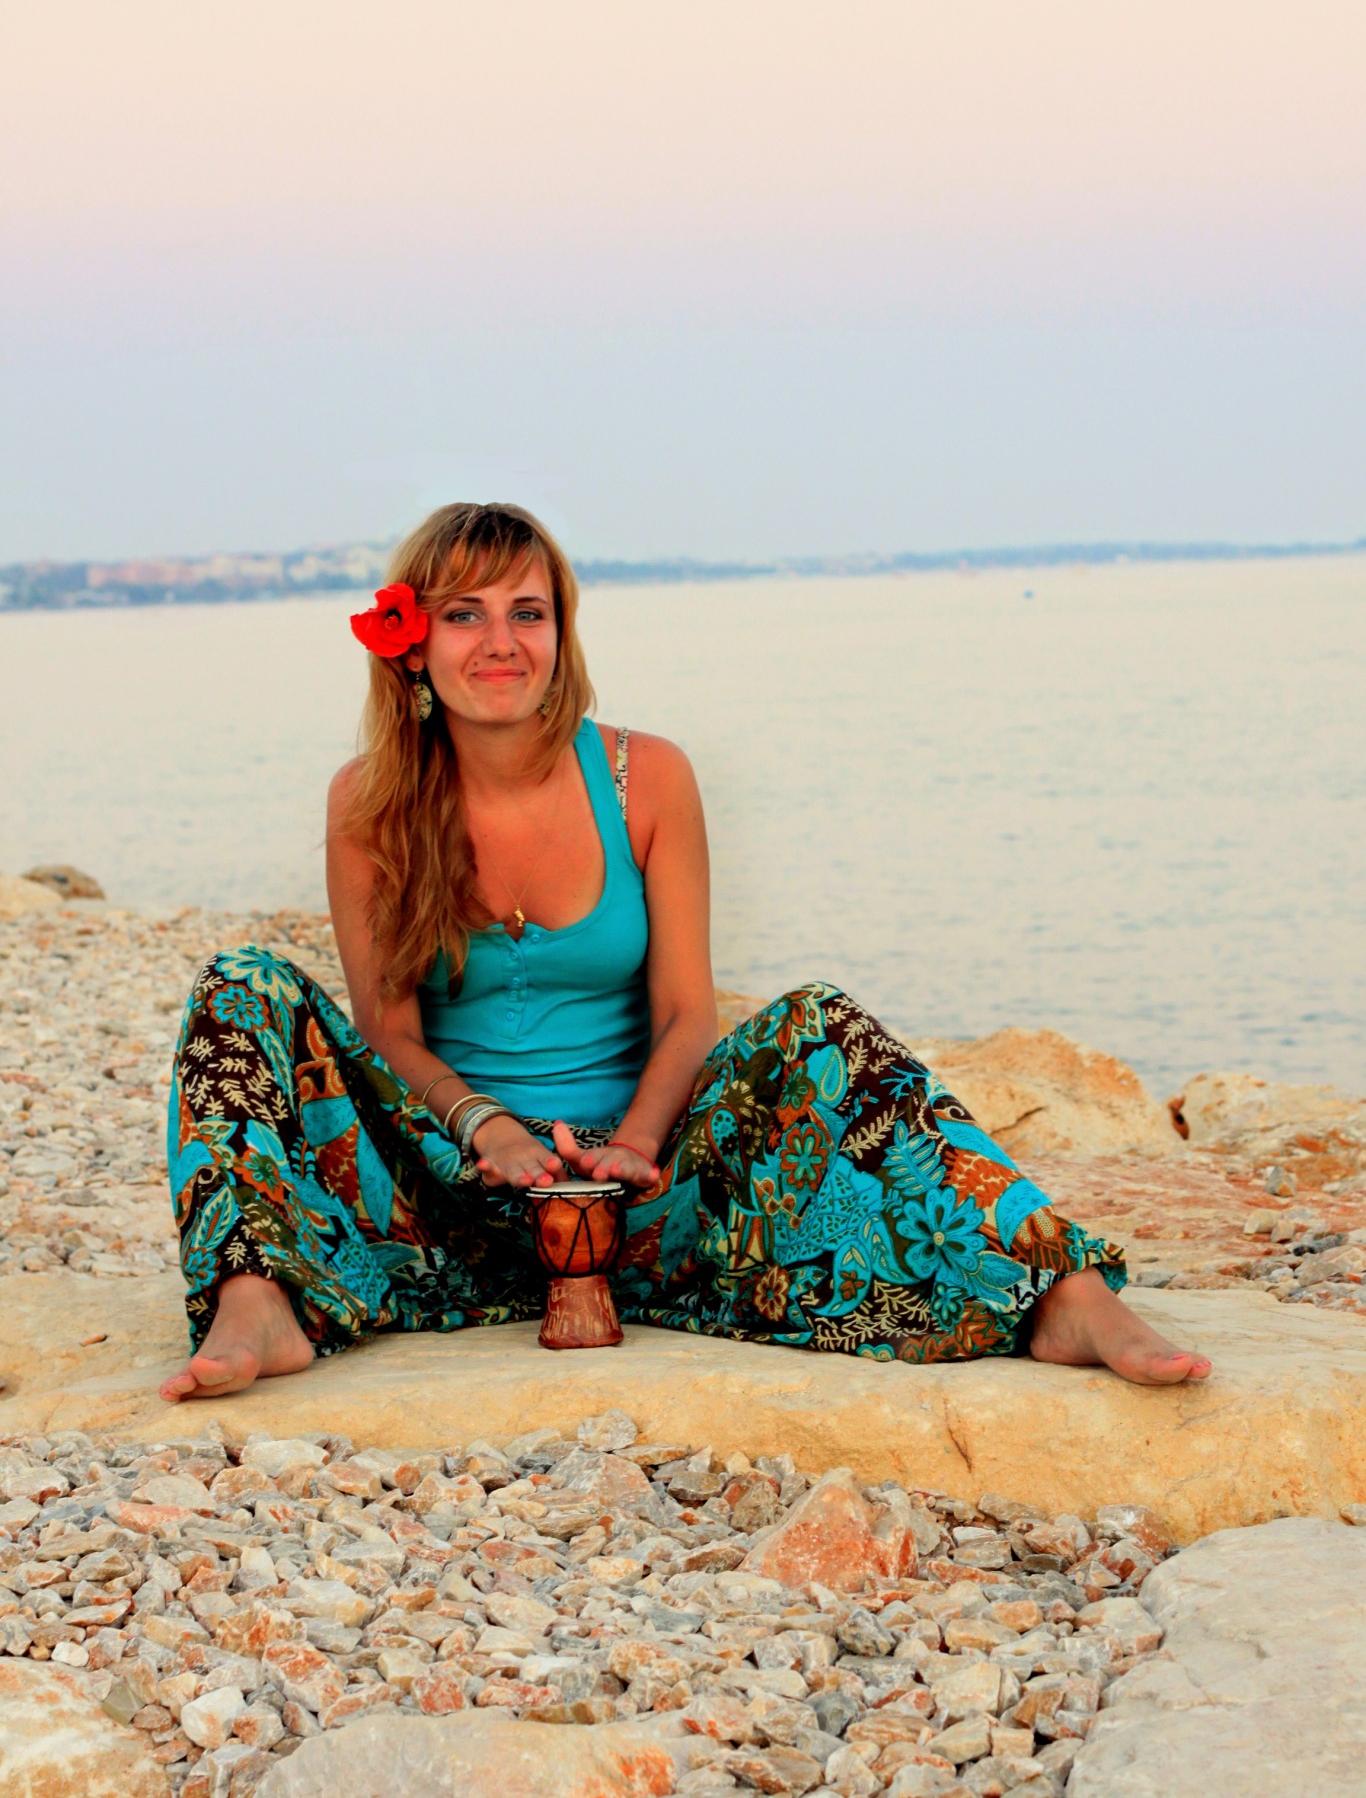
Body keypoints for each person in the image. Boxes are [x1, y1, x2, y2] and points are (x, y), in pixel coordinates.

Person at [160, 501, 1212, 1402]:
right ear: (414, 642)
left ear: (562, 632)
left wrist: (634, 1147)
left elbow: (685, 1014)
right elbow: (386, 1030)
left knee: (820, 1024)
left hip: (652, 1199)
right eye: (464, 614)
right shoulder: (370, 800)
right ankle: (259, 1304)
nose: (500, 642)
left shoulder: (645, 776)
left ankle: (1061, 1295)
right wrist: (489, 1129)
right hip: (445, 1197)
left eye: (528, 612)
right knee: (241, 987)